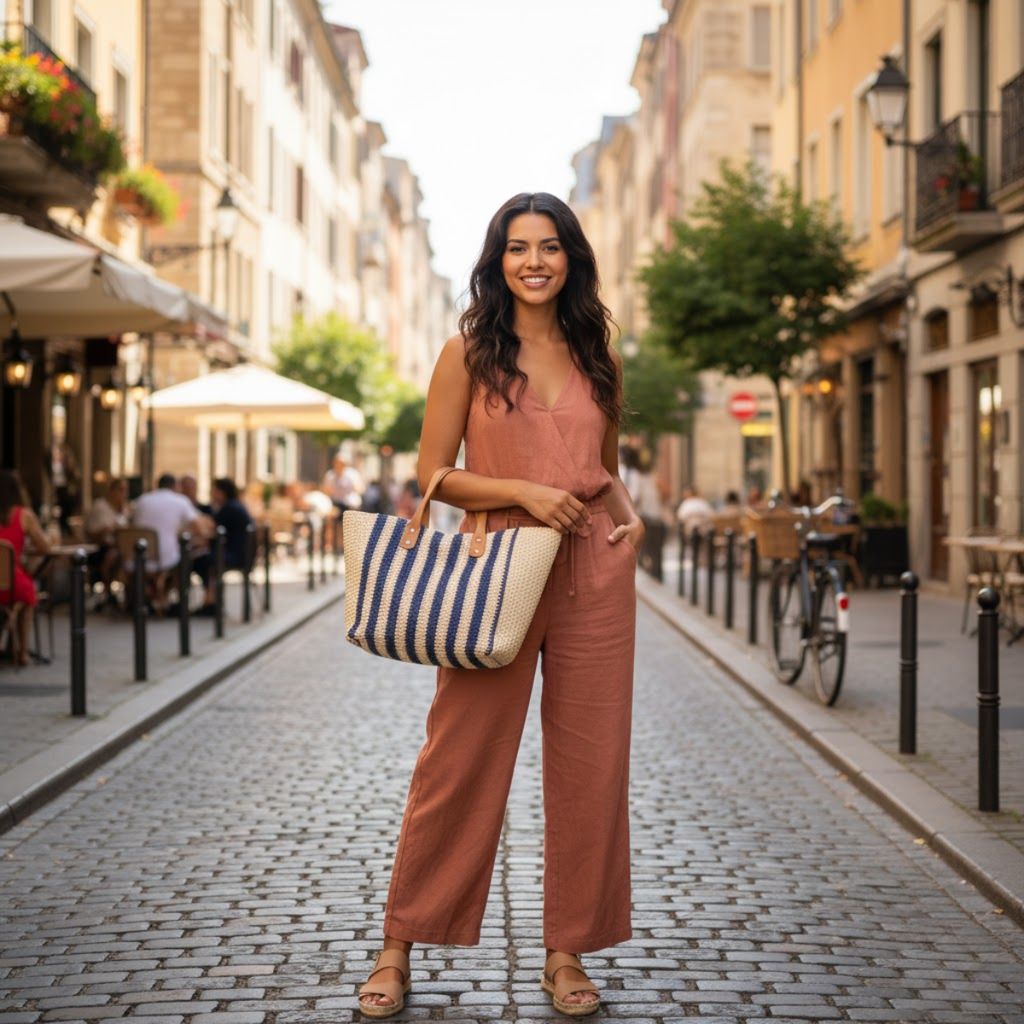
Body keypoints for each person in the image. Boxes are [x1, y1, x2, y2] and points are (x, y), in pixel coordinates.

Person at [356, 192, 643, 1019]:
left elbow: (603, 464)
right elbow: (432, 475)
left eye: (549, 247)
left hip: (593, 571)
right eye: (517, 248)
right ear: (497, 260)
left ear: (571, 258)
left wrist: (631, 521)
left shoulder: (599, 357)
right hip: (497, 568)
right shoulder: (468, 354)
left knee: (593, 768)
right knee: (457, 760)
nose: (533, 262)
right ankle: (398, 943)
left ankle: (567, 953)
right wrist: (521, 488)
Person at [0, 469, 52, 665]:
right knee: (28, 592)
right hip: (10, 583)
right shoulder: (24, 515)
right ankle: (22, 651)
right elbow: (45, 546)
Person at [190, 478, 254, 615]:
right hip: (241, 553)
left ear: (221, 492)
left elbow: (213, 528)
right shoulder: (233, 505)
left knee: (201, 561)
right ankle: (212, 600)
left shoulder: (230, 508)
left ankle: (211, 602)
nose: (211, 494)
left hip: (235, 555)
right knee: (203, 559)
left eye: (213, 490)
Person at [84, 477, 130, 607]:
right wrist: (108, 530)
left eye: (125, 490)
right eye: (120, 490)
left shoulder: (125, 508)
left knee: (126, 556)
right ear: (112, 491)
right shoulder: (100, 506)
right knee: (112, 556)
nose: (123, 493)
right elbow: (92, 534)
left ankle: (129, 596)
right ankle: (108, 592)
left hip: (120, 547)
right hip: (98, 549)